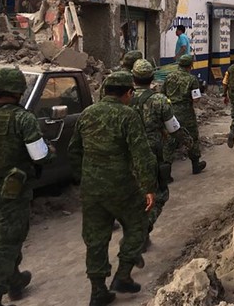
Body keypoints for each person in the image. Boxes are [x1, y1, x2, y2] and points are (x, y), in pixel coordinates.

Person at [0, 67, 54, 306]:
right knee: (5, 246)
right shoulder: (22, 119)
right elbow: (39, 156)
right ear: (17, 91)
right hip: (12, 194)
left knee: (6, 239)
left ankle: (15, 282)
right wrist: (49, 151)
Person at [69, 71, 156, 305]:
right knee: (138, 224)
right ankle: (123, 274)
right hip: (121, 186)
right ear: (128, 93)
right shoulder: (127, 116)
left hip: (91, 188)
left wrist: (85, 177)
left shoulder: (87, 114)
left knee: (95, 239)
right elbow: (141, 154)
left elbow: (74, 150)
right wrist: (149, 186)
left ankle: (97, 291)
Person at [130, 60, 192, 232]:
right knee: (159, 193)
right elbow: (173, 128)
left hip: (127, 154)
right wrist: (186, 141)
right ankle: (144, 227)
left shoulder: (125, 98)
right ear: (152, 78)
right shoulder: (159, 100)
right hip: (152, 153)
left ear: (133, 77)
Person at [161, 55, 206, 175]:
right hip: (187, 113)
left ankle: (166, 171)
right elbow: (196, 99)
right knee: (192, 137)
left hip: (170, 112)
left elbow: (162, 94)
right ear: (190, 66)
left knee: (170, 139)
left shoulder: (169, 77)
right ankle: (196, 165)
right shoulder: (191, 79)